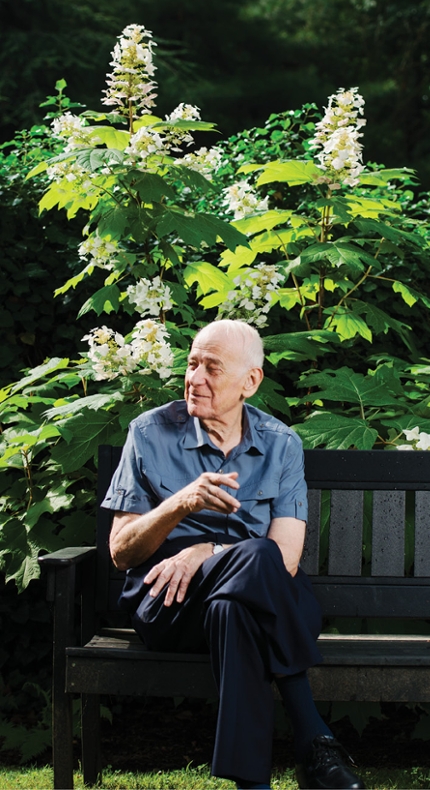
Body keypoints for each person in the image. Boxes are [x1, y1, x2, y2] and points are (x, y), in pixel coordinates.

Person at [101, 319, 365, 790]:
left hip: (253, 590)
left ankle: (252, 785)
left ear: (251, 382)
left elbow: (286, 555)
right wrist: (182, 503)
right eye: (192, 363)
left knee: (235, 606)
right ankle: (314, 738)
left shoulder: (281, 444)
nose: (195, 378)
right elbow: (121, 553)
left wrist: (205, 551)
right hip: (169, 598)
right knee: (257, 561)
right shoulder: (149, 433)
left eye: (212, 368)